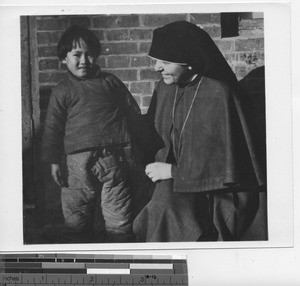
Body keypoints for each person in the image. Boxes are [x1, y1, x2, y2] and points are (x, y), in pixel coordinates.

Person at [133, 21, 267, 242]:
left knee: (168, 209)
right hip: (176, 178)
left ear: (190, 63)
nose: (157, 67)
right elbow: (156, 137)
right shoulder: (165, 87)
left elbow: (226, 164)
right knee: (161, 203)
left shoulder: (220, 93)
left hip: (217, 190)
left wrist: (174, 172)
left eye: (165, 61)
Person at [41, 25, 141, 243]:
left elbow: (132, 111)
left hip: (113, 159)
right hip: (77, 165)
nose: (84, 61)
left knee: (120, 215)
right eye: (77, 55)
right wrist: (53, 162)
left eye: (89, 54)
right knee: (77, 214)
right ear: (63, 59)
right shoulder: (61, 90)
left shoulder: (110, 82)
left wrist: (133, 148)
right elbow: (52, 128)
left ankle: (121, 250)